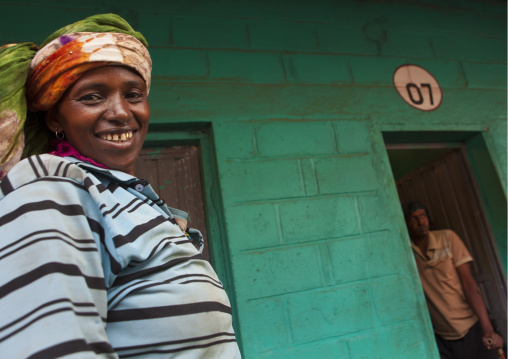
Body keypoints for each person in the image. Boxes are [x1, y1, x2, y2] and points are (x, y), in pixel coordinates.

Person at [0, 14, 241, 358]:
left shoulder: (115, 190)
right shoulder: (52, 190)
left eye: (134, 94)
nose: (121, 112)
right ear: (55, 118)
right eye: (92, 97)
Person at [402, 201, 504, 359]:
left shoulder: (447, 238)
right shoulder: (406, 252)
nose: (421, 222)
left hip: (471, 327)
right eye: (413, 219)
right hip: (442, 337)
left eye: (423, 216)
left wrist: (487, 329)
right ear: (405, 224)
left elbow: (469, 284)